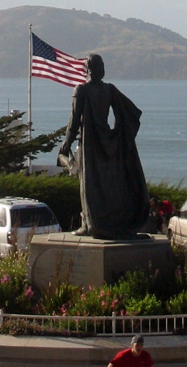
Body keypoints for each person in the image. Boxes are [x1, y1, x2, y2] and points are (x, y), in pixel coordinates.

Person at [57, 53, 149, 240]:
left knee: (88, 183)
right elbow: (128, 112)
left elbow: (73, 122)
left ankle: (90, 224)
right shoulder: (109, 90)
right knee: (105, 185)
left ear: (87, 69)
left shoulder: (81, 90)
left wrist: (66, 144)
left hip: (90, 143)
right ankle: (88, 222)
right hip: (108, 141)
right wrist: (117, 135)